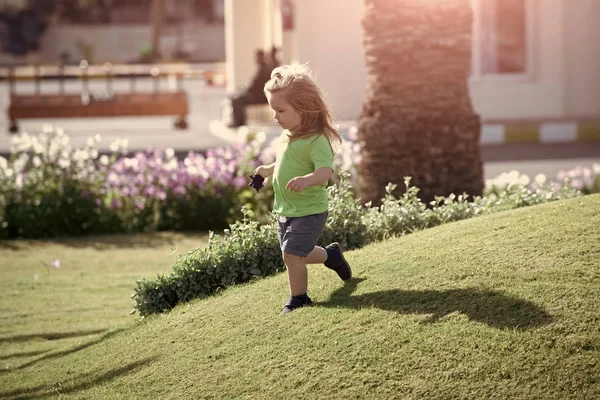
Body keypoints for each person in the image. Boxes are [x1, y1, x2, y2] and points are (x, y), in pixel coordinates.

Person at [252, 64, 353, 314]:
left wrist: (308, 179)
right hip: (287, 209)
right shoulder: (287, 136)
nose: (276, 117)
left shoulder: (316, 140)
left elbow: (325, 172)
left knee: (291, 255)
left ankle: (299, 298)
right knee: (301, 254)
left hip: (309, 209)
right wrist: (266, 170)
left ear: (304, 108)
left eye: (280, 110)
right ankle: (332, 256)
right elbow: (285, 164)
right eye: (273, 110)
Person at [229, 49, 272, 127]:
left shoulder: (264, 69)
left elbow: (255, 86)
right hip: (257, 95)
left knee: (237, 100)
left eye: (258, 57)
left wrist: (245, 90)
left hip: (260, 97)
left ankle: (239, 123)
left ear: (262, 57)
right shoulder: (262, 68)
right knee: (236, 98)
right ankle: (238, 122)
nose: (256, 59)